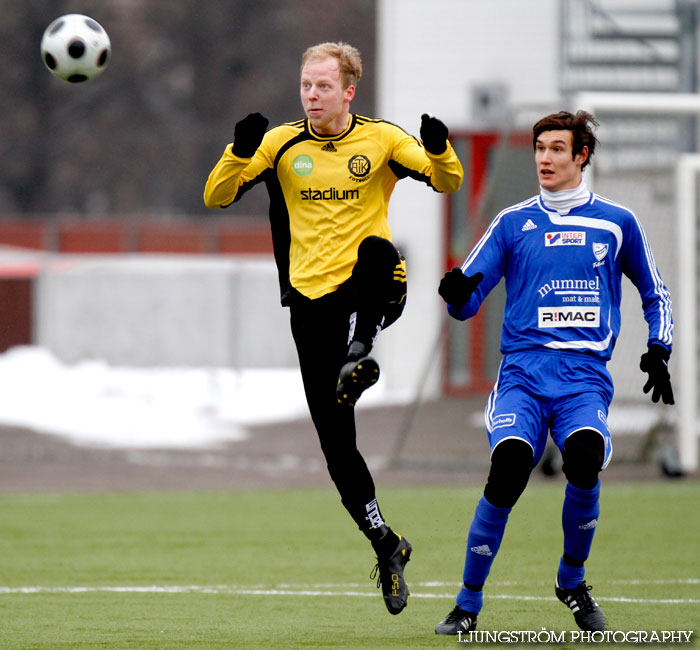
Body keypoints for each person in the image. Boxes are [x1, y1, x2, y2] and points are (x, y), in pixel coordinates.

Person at [204, 41, 463, 615]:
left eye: (323, 86)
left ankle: (362, 350)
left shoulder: (383, 138)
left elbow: (447, 182)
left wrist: (441, 149)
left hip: (374, 287)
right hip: (310, 307)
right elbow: (216, 195)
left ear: (349, 90)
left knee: (376, 248)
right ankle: (387, 544)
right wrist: (237, 151)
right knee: (336, 448)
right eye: (305, 85)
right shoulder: (279, 145)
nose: (312, 95)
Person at [434, 110, 673, 634]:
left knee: (584, 461)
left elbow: (654, 292)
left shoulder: (617, 222)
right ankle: (467, 601)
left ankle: (571, 580)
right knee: (510, 468)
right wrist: (456, 296)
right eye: (540, 147)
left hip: (583, 375)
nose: (544, 157)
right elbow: (468, 299)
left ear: (581, 155)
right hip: (522, 372)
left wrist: (660, 347)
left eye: (557, 149)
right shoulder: (512, 222)